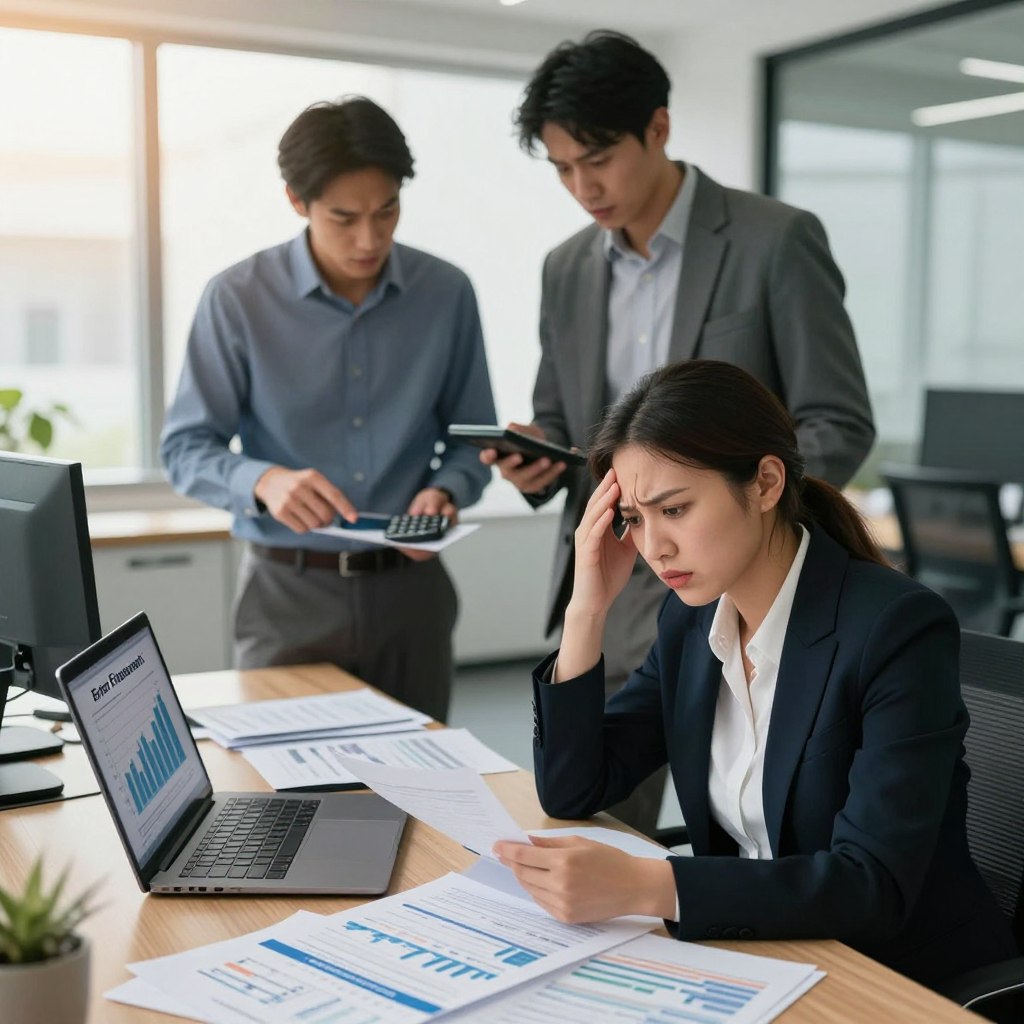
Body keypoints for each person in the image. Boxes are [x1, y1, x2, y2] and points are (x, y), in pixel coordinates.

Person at [493, 359, 1014, 988]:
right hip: (761, 958)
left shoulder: (895, 628)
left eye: (675, 510)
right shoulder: (691, 623)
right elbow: (574, 788)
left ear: (766, 482)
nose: (653, 547)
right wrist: (588, 608)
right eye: (634, 518)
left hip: (894, 976)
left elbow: (869, 886)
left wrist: (654, 885)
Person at [483, 30, 875, 835]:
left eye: (597, 157)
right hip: (609, 571)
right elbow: (564, 418)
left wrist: (743, 513)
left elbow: (837, 419)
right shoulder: (566, 267)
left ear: (658, 129)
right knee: (585, 822)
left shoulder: (774, 240)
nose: (582, 185)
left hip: (736, 572)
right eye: (561, 167)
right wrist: (540, 459)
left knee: (758, 817)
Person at [160, 97, 496, 723]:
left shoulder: (446, 292)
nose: (370, 238)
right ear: (296, 200)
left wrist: (446, 490)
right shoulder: (236, 299)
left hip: (412, 594)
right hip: (287, 595)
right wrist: (263, 480)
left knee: (427, 798)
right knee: (285, 802)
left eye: (386, 211)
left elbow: (474, 438)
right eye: (344, 217)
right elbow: (184, 448)